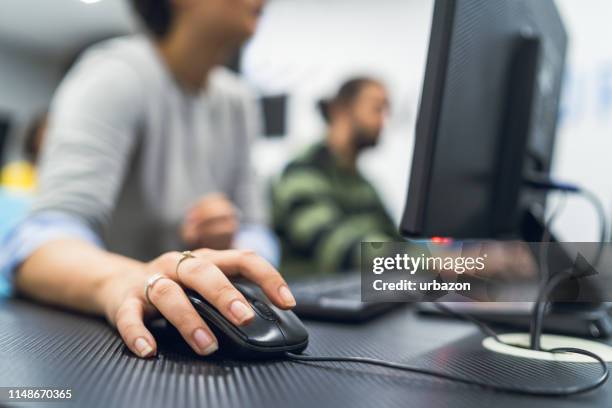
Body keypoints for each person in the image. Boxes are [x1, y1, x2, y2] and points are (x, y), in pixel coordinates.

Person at [0, 0, 296, 359]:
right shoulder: (115, 74)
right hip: (104, 344)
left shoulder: (238, 101)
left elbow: (257, 229)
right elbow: (37, 244)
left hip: (195, 334)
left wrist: (228, 250)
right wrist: (128, 280)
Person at [272, 77, 402, 276]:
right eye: (377, 109)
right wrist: (429, 262)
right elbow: (338, 248)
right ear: (340, 110)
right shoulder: (302, 172)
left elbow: (396, 240)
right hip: (306, 301)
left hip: (358, 295)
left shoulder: (362, 184)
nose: (383, 121)